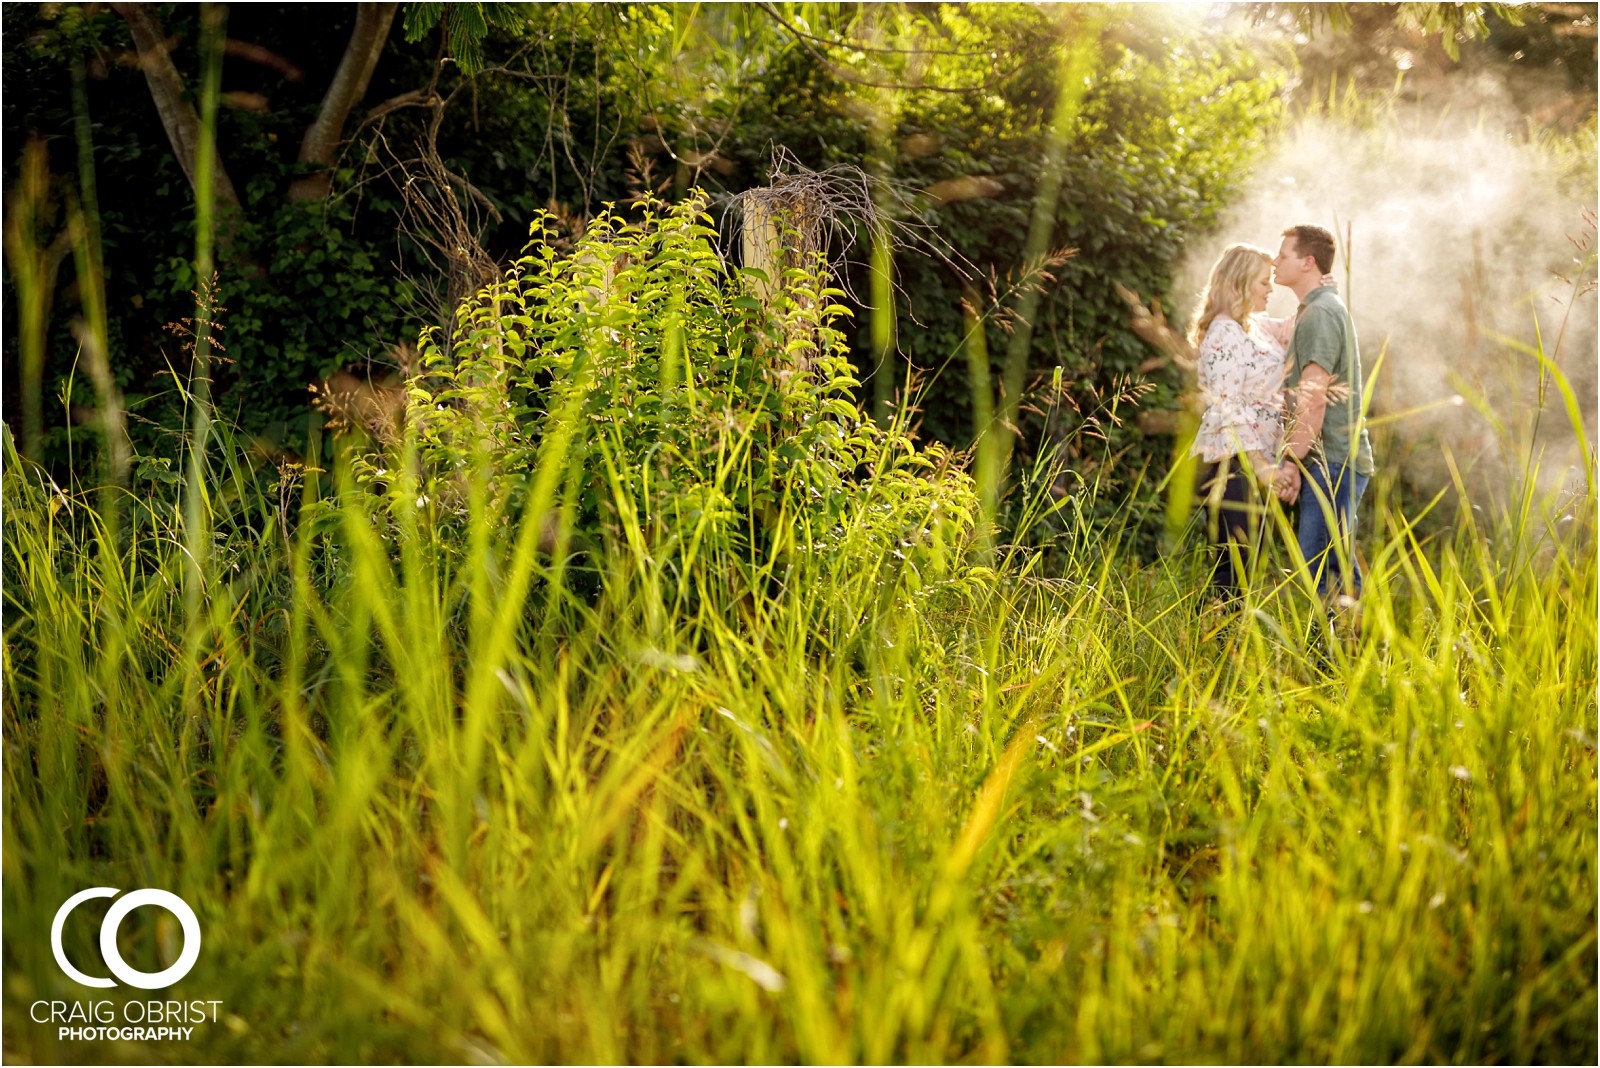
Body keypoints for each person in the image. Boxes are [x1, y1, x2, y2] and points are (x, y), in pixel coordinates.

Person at [1186, 243, 1300, 599]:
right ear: (1240, 284)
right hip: (1233, 462)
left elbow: (1296, 323)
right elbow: (1228, 407)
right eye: (1263, 282)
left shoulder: (1252, 326)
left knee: (1249, 568)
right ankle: (1213, 648)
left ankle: (1225, 647)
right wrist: (1262, 465)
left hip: (1256, 459)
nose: (1271, 289)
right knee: (1233, 570)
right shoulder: (1223, 333)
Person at [1270, 224, 1376, 602]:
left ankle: (1337, 659)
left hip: (1332, 463)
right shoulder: (1317, 309)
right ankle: (1341, 657)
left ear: (1308, 262)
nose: (1274, 261)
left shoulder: (1320, 314)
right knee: (1330, 566)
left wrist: (1290, 462)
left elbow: (1313, 398)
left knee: (1324, 571)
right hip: (1327, 461)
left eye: (1283, 255)